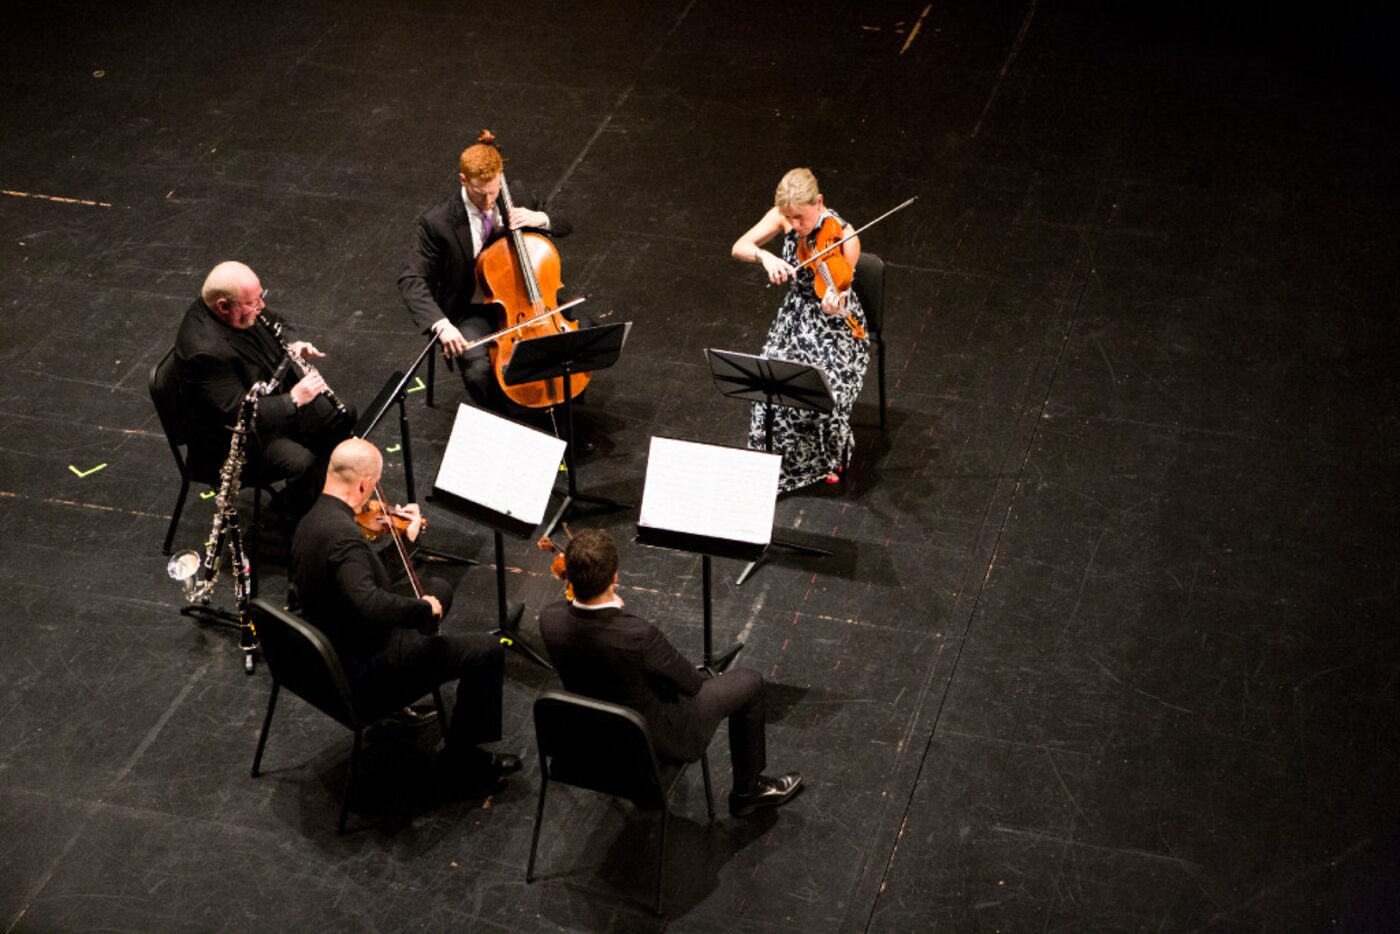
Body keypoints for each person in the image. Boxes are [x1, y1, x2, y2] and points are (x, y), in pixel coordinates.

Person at [290, 438, 520, 790]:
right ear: (364, 484)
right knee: (487, 651)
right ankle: (463, 759)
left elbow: (359, 579)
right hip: (366, 669)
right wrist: (422, 610)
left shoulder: (312, 520)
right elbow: (370, 602)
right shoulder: (344, 537)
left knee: (437, 587)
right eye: (375, 486)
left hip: (335, 645)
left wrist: (408, 542)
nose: (376, 497)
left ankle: (417, 674)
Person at [538, 529, 803, 817]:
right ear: (614, 577)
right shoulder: (638, 636)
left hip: (587, 744)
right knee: (749, 682)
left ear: (569, 575)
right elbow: (691, 684)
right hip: (651, 744)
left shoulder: (549, 619)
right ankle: (748, 793)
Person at [398, 139, 574, 413]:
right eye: (481, 194)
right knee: (478, 371)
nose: (490, 201)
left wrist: (540, 218)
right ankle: (510, 417)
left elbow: (565, 222)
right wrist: (441, 325)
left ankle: (566, 411)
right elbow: (411, 279)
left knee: (581, 334)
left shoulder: (515, 195)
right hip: (471, 308)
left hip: (524, 298)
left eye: (494, 192)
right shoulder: (438, 222)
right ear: (463, 180)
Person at [174, 260, 354, 516]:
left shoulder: (240, 307)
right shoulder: (204, 352)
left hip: (270, 402)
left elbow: (276, 321)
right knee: (303, 463)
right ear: (223, 306)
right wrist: (292, 400)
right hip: (233, 440)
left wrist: (294, 343)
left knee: (342, 416)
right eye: (253, 303)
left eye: (261, 297)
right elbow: (236, 414)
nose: (261, 306)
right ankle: (287, 521)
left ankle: (325, 497)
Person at [730, 168, 871, 490]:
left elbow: (842, 294)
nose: (794, 226)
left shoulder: (845, 237)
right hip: (796, 318)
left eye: (801, 218)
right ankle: (774, 465)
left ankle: (827, 457)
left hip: (837, 325)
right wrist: (764, 256)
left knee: (825, 390)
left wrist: (834, 303)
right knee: (770, 382)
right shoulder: (782, 216)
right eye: (789, 218)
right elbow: (739, 246)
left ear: (818, 202)